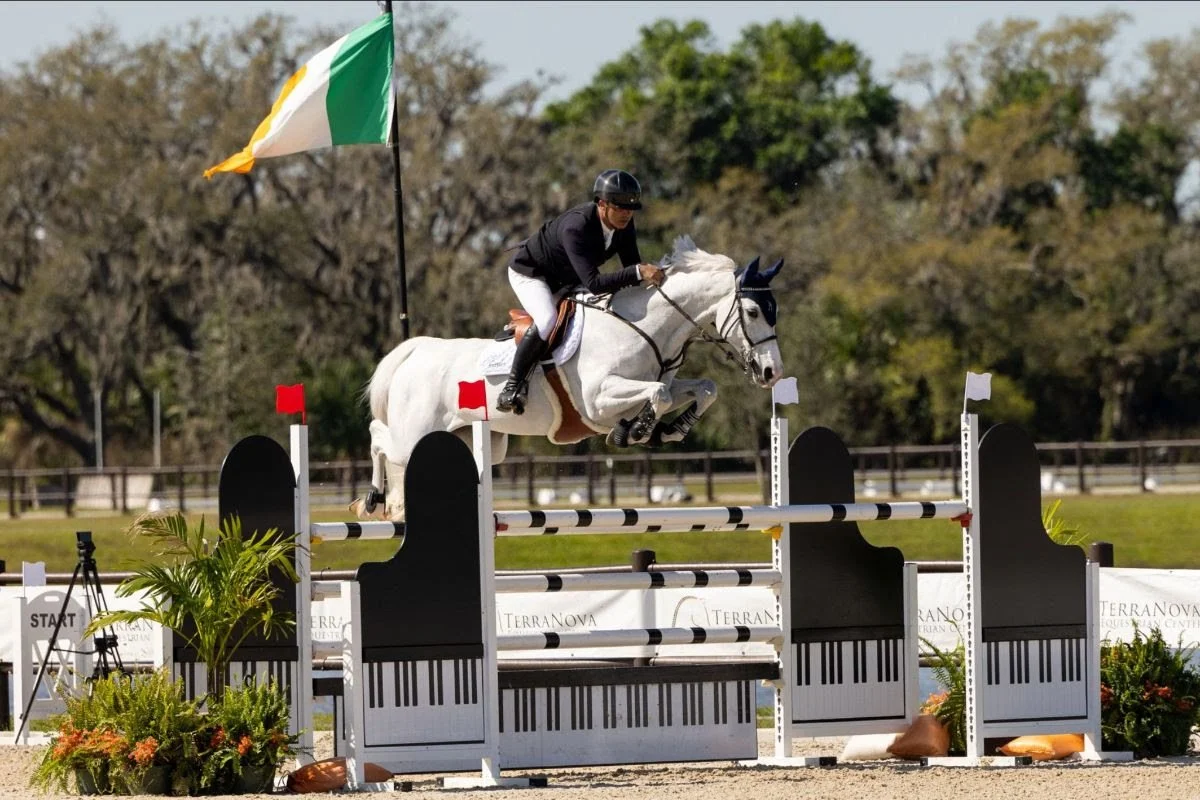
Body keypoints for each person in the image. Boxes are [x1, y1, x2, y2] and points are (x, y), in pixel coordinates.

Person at [496, 169, 666, 415]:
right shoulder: (576, 227)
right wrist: (638, 273)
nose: (627, 213)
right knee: (547, 320)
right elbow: (598, 282)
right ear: (602, 204)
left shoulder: (624, 225)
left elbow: (632, 267)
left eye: (630, 208)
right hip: (532, 274)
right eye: (619, 207)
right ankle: (511, 388)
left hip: (567, 279)